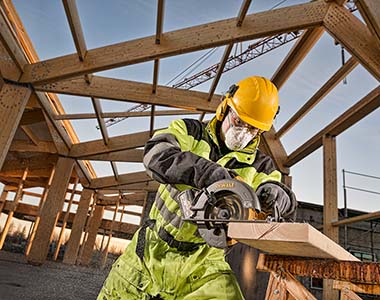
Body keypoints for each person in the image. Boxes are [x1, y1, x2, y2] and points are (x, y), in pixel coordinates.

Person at [98, 76, 297, 300]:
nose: (243, 133)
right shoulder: (189, 131)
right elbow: (156, 154)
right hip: (151, 250)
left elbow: (283, 196)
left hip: (205, 264)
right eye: (239, 121)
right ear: (225, 108)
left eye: (253, 129)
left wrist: (280, 197)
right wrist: (209, 175)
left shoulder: (261, 166)